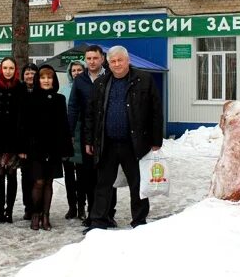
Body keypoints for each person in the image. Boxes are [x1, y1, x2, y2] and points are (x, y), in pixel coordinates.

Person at [83, 45, 163, 233]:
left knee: (137, 184)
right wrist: (89, 140)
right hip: (107, 143)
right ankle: (98, 221)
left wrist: (156, 140)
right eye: (113, 61)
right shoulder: (101, 83)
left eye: (120, 60)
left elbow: (156, 111)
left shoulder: (143, 80)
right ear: (108, 63)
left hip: (135, 143)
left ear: (128, 61)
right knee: (103, 184)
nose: (117, 64)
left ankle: (139, 221)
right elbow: (91, 114)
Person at [67, 45, 117, 227]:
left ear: (102, 59)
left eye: (95, 58)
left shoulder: (110, 76)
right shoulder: (80, 80)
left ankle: (109, 213)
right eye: (88, 59)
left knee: (108, 176)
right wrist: (70, 132)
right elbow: (73, 107)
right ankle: (92, 213)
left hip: (108, 134)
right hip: (87, 134)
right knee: (88, 177)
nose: (92, 62)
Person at [21, 64, 73, 230]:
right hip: (35, 148)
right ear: (38, 79)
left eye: (49, 77)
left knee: (49, 182)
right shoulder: (30, 98)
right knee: (38, 181)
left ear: (53, 80)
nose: (46, 80)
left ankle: (46, 215)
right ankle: (35, 214)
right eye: (43, 77)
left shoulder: (59, 99)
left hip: (54, 147)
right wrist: (23, 147)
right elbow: (23, 126)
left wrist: (66, 149)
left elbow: (64, 125)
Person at [0, 57, 25, 224]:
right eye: (5, 68)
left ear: (15, 70)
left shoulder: (21, 87)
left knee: (12, 173)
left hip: (14, 136)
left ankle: (9, 211)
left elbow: (24, 115)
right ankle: (0, 210)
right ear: (1, 69)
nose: (8, 71)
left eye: (11, 68)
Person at [60, 60, 88, 220]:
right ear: (70, 73)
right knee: (69, 175)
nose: (76, 72)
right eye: (74, 70)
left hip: (83, 136)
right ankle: (72, 206)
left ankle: (82, 207)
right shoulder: (64, 90)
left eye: (79, 70)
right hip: (68, 137)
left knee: (82, 176)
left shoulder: (87, 88)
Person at [19, 62, 39, 220]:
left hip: (40, 142)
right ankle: (28, 207)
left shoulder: (42, 91)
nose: (30, 75)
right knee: (26, 177)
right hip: (24, 142)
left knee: (40, 177)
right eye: (27, 73)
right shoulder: (18, 92)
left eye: (33, 72)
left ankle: (39, 208)